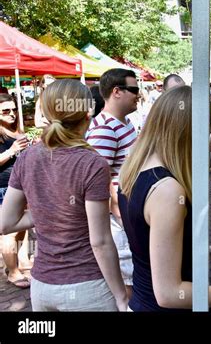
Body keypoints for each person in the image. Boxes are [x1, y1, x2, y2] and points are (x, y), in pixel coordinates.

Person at [118, 86, 211, 312]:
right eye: (206, 131)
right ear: (189, 132)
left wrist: (204, 250)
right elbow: (169, 293)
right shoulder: (167, 191)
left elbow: (149, 244)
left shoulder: (134, 166)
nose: (208, 140)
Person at [0, 80, 127, 311]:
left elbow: (6, 223)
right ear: (88, 113)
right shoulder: (92, 163)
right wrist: (120, 295)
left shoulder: (27, 157)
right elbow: (100, 241)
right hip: (88, 287)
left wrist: (49, 211)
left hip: (42, 287)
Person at [86, 68, 139, 299]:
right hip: (120, 221)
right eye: (134, 89)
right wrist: (120, 214)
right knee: (128, 280)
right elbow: (98, 179)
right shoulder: (106, 128)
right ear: (116, 92)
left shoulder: (123, 122)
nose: (139, 95)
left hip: (128, 212)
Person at [0, 94, 32, 289]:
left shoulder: (16, 131)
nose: (12, 114)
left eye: (13, 110)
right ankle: (12, 271)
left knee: (22, 228)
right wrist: (11, 151)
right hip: (3, 188)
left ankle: (22, 261)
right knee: (8, 232)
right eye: (5, 110)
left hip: (21, 186)